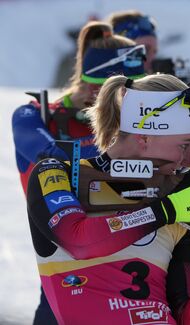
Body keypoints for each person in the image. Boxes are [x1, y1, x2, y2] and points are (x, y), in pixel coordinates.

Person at [25, 73, 190, 324]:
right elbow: (80, 242)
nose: (186, 161)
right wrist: (166, 211)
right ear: (145, 137)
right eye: (184, 146)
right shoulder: (57, 173)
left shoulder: (175, 196)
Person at [12, 21, 146, 324]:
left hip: (140, 269)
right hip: (66, 274)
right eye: (130, 93)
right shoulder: (33, 116)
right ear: (98, 86)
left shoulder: (140, 127)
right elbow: (54, 157)